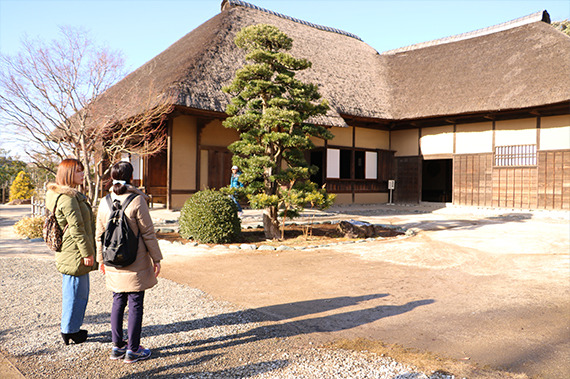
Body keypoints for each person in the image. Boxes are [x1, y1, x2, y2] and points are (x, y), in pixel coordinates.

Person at [95, 161, 162, 363]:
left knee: (117, 301)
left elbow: (99, 234)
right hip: (136, 260)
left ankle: (117, 347)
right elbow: (148, 233)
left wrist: (101, 260)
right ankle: (133, 350)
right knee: (135, 304)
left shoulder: (105, 201)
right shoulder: (136, 200)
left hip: (112, 260)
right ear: (131, 177)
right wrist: (156, 258)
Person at [45, 158, 96, 345]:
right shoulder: (67, 198)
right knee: (77, 292)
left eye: (82, 171)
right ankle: (69, 330)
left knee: (75, 290)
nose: (83, 174)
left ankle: (71, 328)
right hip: (74, 252)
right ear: (68, 174)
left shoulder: (60, 194)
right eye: (79, 171)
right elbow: (77, 228)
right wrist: (87, 253)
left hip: (69, 250)